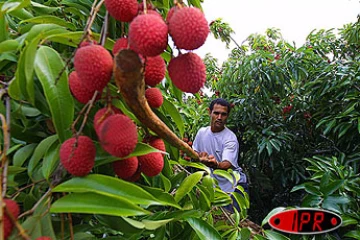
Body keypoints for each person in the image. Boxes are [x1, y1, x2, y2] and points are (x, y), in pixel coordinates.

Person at [192, 98, 248, 212]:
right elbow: (195, 153)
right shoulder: (202, 132)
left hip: (234, 188)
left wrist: (215, 164)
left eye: (223, 114)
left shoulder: (230, 138)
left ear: (227, 116)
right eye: (216, 113)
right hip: (214, 187)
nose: (219, 117)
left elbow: (226, 164)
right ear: (209, 112)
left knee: (231, 224)